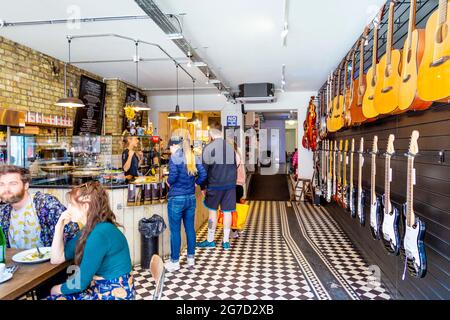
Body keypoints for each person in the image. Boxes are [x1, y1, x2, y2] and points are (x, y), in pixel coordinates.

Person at [48, 181, 135, 300]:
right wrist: (59, 226)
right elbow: (57, 258)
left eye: (71, 205)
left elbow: (81, 282)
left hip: (113, 291)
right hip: (101, 287)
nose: (68, 209)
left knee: (52, 295)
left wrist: (55, 289)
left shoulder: (99, 234)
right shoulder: (90, 229)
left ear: (85, 207)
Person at [0, 165, 79, 249]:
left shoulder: (46, 204)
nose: (6, 189)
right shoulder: (3, 213)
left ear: (26, 185)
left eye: (13, 184)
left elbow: (74, 237)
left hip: (50, 261)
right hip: (14, 261)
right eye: (1, 184)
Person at [165, 130, 207, 272]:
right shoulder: (193, 156)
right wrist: (196, 183)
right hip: (190, 198)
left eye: (170, 147)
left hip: (176, 198)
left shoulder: (174, 157)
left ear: (176, 145)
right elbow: (203, 174)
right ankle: (190, 260)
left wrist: (168, 181)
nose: (170, 149)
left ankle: (175, 261)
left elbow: (173, 176)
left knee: (175, 231)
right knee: (190, 229)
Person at [197, 122, 237, 250]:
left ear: (211, 133)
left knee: (212, 213)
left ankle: (210, 240)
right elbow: (234, 165)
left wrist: (202, 186)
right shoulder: (230, 147)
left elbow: (204, 170)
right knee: (227, 213)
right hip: (230, 185)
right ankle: (225, 242)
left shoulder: (208, 148)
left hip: (214, 185)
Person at [232, 141, 246, 239]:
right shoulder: (239, 157)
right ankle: (238, 228)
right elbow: (243, 175)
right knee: (238, 208)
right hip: (239, 186)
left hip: (233, 186)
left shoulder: (232, 158)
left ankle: (234, 231)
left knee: (232, 209)